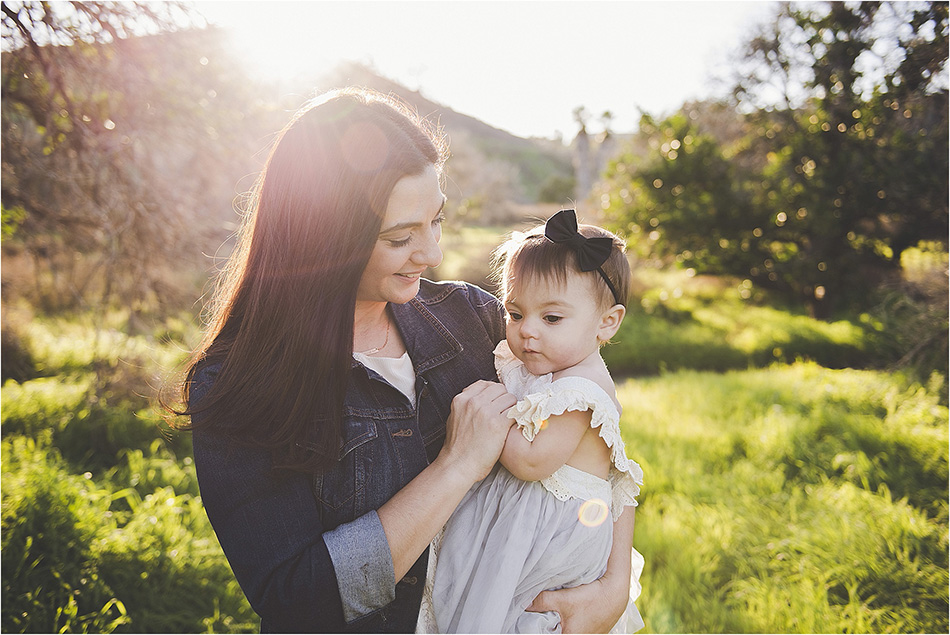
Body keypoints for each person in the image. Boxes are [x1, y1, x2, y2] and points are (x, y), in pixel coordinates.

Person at [171, 88, 636, 633]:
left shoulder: (473, 319)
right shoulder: (239, 384)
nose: (432, 254)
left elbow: (595, 443)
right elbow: (298, 598)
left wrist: (614, 585)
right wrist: (456, 467)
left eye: (435, 221)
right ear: (326, 237)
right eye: (400, 238)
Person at [419, 209, 645, 633]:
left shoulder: (582, 390)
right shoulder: (542, 369)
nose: (527, 332)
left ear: (607, 322)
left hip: (554, 534)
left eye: (552, 318)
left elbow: (532, 461)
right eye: (516, 313)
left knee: (520, 616)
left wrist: (491, 415)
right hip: (524, 522)